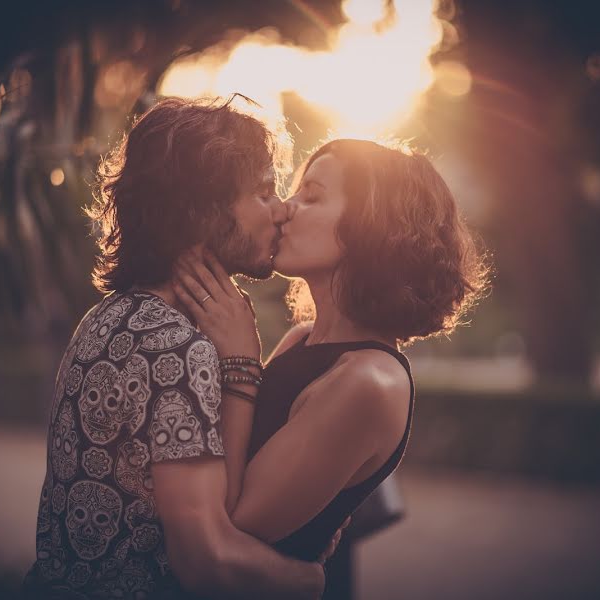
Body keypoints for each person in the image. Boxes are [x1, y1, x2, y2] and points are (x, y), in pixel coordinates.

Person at [23, 96, 341, 599]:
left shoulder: (110, 316)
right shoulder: (174, 348)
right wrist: (309, 581)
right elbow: (205, 559)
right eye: (263, 192)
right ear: (200, 214)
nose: (281, 209)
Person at [172, 138, 488, 595]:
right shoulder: (303, 339)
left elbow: (237, 526)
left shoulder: (369, 382)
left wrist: (240, 358)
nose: (285, 209)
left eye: (313, 196)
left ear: (372, 225)